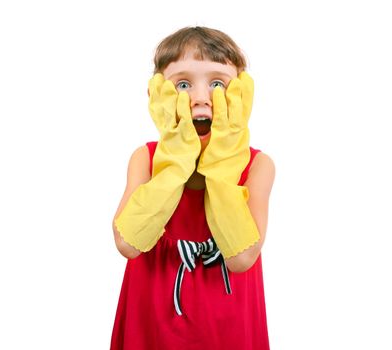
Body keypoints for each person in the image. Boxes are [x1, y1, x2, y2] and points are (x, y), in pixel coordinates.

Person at [110, 26, 275, 349]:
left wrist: (221, 165)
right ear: (158, 96)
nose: (201, 98)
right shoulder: (145, 158)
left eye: (217, 84)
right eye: (182, 85)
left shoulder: (258, 165)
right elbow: (128, 243)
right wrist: (176, 163)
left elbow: (241, 259)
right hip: (152, 320)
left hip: (229, 321)